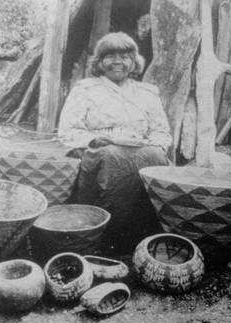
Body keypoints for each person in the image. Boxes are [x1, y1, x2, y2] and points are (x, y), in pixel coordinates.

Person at [58, 32, 172, 253]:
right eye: (110, 55)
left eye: (125, 55)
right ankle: (105, 235)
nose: (118, 61)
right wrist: (93, 139)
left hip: (140, 149)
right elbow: (68, 131)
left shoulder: (147, 93)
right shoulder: (86, 89)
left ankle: (143, 237)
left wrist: (154, 144)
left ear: (134, 62)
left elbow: (161, 132)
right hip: (99, 152)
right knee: (113, 156)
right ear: (100, 62)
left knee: (157, 157)